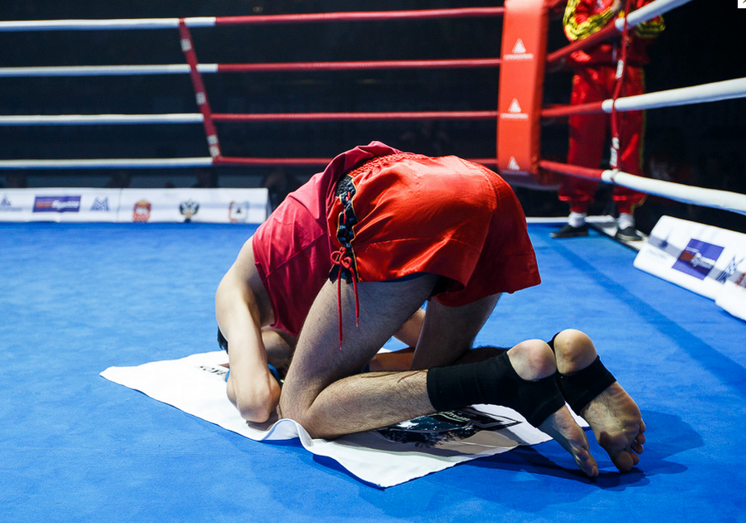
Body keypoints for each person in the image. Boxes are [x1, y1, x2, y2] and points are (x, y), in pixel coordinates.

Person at [216, 141, 645, 477]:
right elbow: (419, 343)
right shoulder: (311, 283)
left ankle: (504, 381)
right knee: (434, 377)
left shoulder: (235, 290)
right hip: (479, 189)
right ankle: (559, 362)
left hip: (395, 199)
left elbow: (256, 404)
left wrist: (246, 366)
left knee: (300, 409)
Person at [551, 0, 664, 242]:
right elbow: (575, 30)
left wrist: (631, 12)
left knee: (630, 142)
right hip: (589, 73)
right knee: (582, 142)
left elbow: (655, 27)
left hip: (630, 69)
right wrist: (612, 12)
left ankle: (626, 218)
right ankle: (577, 216)